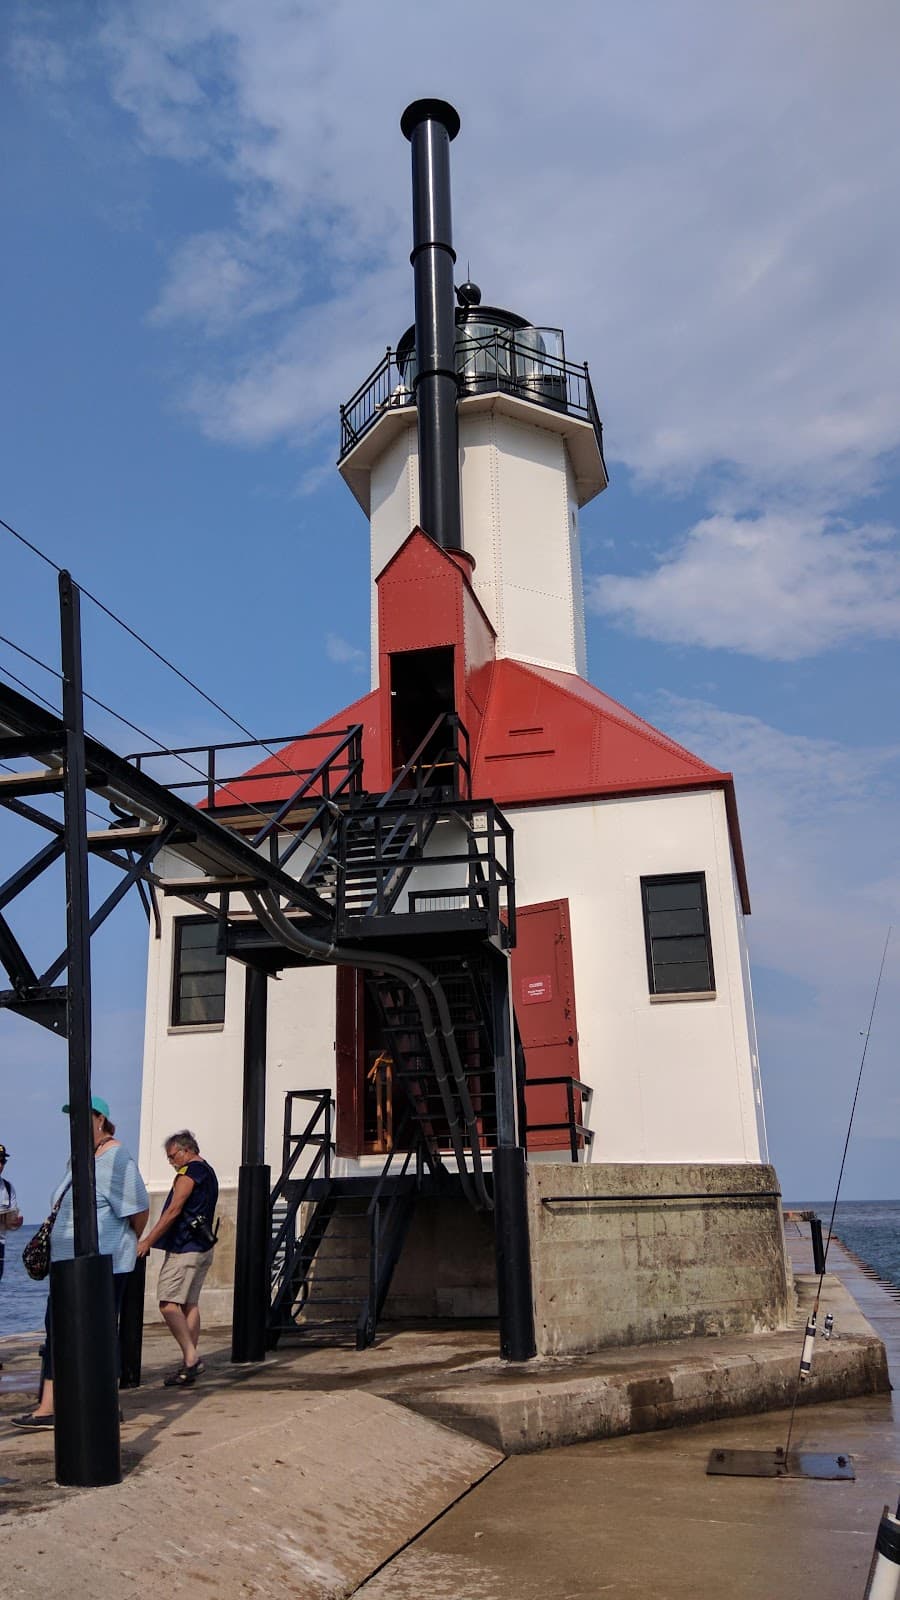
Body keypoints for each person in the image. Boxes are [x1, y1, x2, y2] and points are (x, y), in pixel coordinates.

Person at [12, 1094, 149, 1430]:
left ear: (100, 1119)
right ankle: (49, 1407)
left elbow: (139, 1211)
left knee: (100, 1333)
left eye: (80, 1117)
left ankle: (106, 1403)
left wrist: (121, 1242)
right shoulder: (78, 1159)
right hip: (66, 1265)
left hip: (105, 1264)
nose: (74, 1124)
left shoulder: (117, 1158)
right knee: (56, 1332)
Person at [137, 1130, 218, 1387]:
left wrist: (147, 1241)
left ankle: (192, 1358)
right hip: (203, 1247)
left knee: (167, 1304)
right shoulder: (209, 1171)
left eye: (173, 1157)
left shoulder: (189, 1173)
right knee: (189, 1304)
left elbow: (173, 1210)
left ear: (186, 1150)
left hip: (185, 1248)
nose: (172, 1163)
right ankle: (188, 1363)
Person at [0, 1142, 23, 1369]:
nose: (0, 1165)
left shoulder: (7, 1187)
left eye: (3, 1161)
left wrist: (15, 1222)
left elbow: (12, 1220)